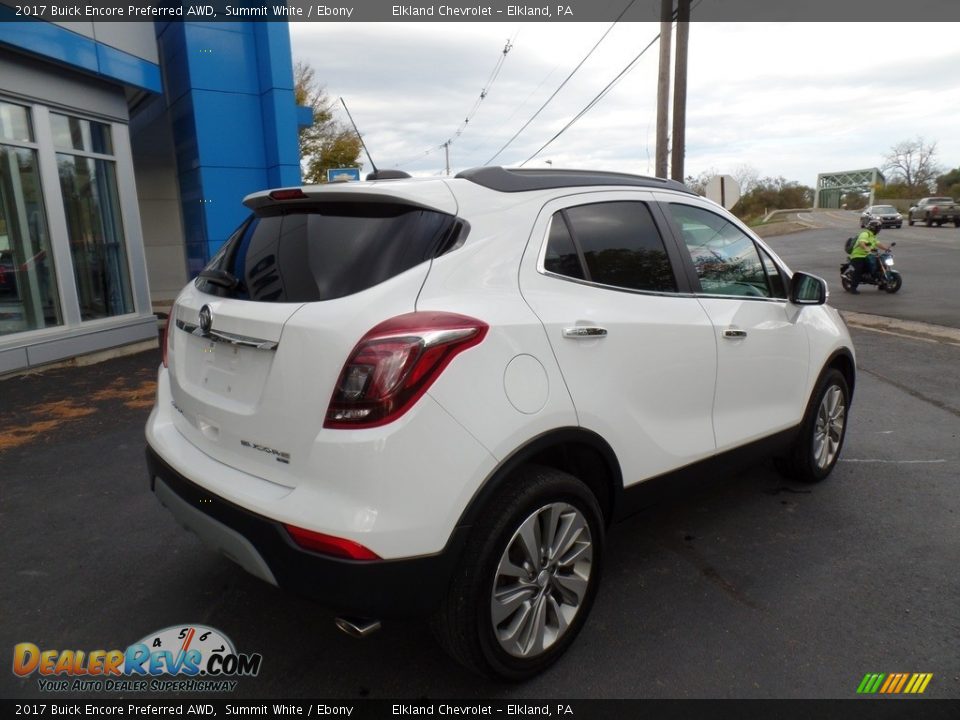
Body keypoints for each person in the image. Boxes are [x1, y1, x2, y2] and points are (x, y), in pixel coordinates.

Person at [848, 218, 890, 294]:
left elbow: (878, 244)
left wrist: (886, 248)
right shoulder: (865, 234)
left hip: (867, 255)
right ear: (874, 228)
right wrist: (866, 248)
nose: (879, 230)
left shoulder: (873, 236)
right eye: (878, 228)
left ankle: (882, 284)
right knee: (859, 270)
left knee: (879, 265)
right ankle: (853, 288)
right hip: (858, 256)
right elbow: (861, 243)